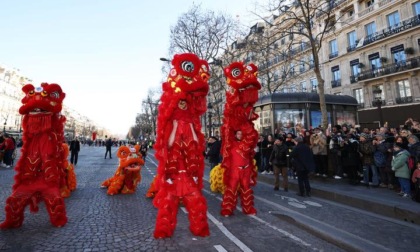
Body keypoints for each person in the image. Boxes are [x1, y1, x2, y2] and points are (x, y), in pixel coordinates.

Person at [221, 130, 257, 216]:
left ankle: (248, 209)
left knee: (246, 189)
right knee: (231, 189)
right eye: (238, 133)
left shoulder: (247, 144)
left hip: (246, 170)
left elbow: (252, 152)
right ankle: (228, 209)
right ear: (235, 134)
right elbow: (225, 139)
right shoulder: (231, 144)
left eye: (241, 133)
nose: (240, 135)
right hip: (235, 170)